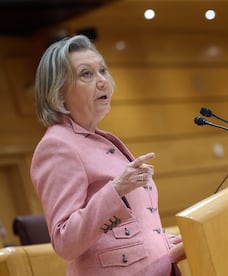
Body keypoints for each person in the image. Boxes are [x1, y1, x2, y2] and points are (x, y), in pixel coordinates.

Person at [30, 34, 185, 275]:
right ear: (58, 92)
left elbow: (120, 232)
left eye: (102, 70)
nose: (102, 81)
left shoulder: (99, 139)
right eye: (86, 74)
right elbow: (65, 241)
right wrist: (116, 190)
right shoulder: (57, 146)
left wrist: (160, 242)